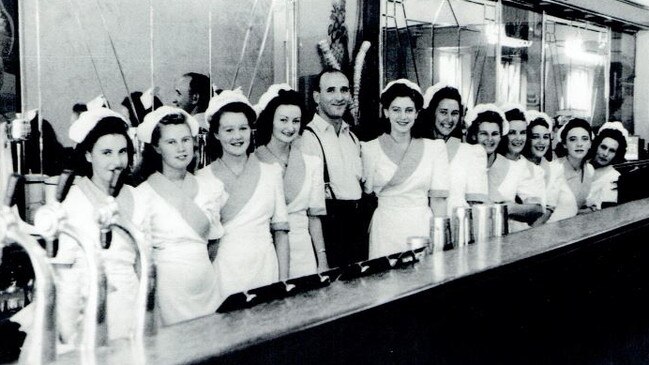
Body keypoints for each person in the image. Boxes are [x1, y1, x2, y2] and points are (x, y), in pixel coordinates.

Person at [134, 106, 226, 326]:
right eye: (171, 142)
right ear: (156, 147)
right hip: (168, 291)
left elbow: (213, 243)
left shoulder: (210, 187)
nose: (181, 148)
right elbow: (140, 256)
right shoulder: (142, 194)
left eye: (185, 140)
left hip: (206, 285)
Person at [55, 107, 140, 342]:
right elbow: (63, 269)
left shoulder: (140, 196)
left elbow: (143, 264)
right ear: (88, 155)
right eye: (106, 153)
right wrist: (67, 327)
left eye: (122, 152)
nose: (116, 161)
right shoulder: (72, 200)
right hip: (90, 307)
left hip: (132, 303)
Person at [197, 89, 289, 297]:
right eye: (229, 130)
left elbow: (281, 233)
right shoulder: (202, 179)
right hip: (224, 271)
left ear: (251, 130)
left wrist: (283, 282)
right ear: (216, 134)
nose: (237, 136)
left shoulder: (271, 172)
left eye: (243, 128)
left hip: (265, 268)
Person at [362, 79, 448, 258]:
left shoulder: (435, 148)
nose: (403, 116)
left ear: (417, 113)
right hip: (385, 228)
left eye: (409, 110)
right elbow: (367, 193)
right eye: (396, 110)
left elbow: (438, 201)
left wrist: (439, 238)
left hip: (421, 225)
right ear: (386, 112)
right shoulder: (369, 148)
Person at [254, 84, 329, 277]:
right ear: (270, 120)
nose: (290, 127)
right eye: (283, 120)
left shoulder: (313, 163)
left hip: (302, 251)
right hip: (266, 251)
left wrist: (322, 260)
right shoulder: (254, 161)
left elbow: (314, 217)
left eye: (296, 121)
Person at [297, 68, 365, 267]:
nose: (339, 97)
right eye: (331, 90)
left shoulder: (352, 138)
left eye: (344, 90)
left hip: (356, 229)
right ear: (317, 97)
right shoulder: (306, 138)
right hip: (328, 232)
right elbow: (308, 206)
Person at [466, 104, 543, 229]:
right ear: (474, 135)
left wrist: (507, 208)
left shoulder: (513, 167)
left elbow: (537, 208)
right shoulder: (464, 162)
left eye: (495, 134)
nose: (490, 139)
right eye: (484, 134)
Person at [421, 83, 488, 215]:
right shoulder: (419, 147)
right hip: (418, 223)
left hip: (456, 224)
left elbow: (476, 206)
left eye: (455, 113)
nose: (449, 119)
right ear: (432, 113)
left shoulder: (472, 153)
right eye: (443, 112)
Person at [497, 104, 546, 231]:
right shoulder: (493, 161)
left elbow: (537, 209)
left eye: (523, 133)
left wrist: (509, 208)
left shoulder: (532, 170)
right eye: (512, 133)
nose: (518, 138)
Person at [521, 110, 571, 225]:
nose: (541, 142)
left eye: (545, 137)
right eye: (535, 137)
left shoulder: (556, 169)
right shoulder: (519, 165)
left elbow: (550, 208)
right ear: (528, 139)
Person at [553, 118, 596, 217]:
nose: (579, 144)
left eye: (584, 139)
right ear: (564, 144)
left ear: (590, 144)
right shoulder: (554, 168)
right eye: (573, 139)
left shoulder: (589, 169)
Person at [586, 121, 628, 209]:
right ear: (596, 146)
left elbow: (606, 212)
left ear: (617, 154)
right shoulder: (583, 165)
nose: (605, 154)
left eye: (612, 151)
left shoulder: (614, 176)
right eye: (603, 147)